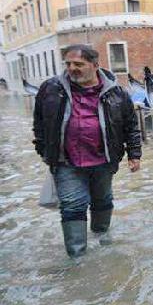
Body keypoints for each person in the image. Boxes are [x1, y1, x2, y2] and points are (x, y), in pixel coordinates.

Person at [33, 44, 141, 258]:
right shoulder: (50, 89)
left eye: (79, 64)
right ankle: (77, 258)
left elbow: (130, 125)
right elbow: (39, 122)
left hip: (104, 159)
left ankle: (101, 237)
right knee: (72, 206)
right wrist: (44, 151)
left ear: (95, 65)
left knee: (102, 200)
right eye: (68, 64)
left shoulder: (117, 93)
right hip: (66, 162)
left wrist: (134, 154)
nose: (72, 68)